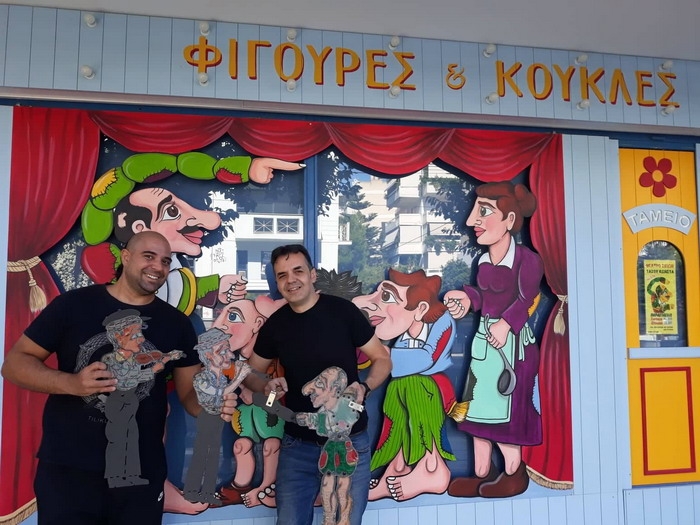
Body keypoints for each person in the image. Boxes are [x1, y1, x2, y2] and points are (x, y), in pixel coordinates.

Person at [0, 231, 229, 524]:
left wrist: (211, 404)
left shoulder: (177, 324)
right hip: (69, 470)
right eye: (149, 256)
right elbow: (15, 364)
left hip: (140, 474)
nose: (158, 267)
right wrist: (70, 383)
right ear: (126, 257)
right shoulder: (73, 305)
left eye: (165, 261)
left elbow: (189, 395)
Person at [242, 244, 392, 525]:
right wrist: (265, 386)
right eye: (282, 275)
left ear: (312, 275)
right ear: (277, 283)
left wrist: (365, 387)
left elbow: (382, 358)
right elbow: (250, 372)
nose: (291, 280)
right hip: (297, 448)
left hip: (349, 442)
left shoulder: (343, 312)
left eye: (298, 271)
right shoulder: (276, 325)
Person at [443, 181, 543, 498]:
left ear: (509, 220)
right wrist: (467, 298)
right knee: (477, 413)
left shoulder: (527, 260)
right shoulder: (483, 261)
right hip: (484, 345)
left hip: (513, 349)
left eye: (484, 211)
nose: (472, 220)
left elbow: (528, 298)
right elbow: (483, 296)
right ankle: (481, 474)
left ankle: (513, 473)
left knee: (506, 414)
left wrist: (507, 324)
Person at [352, 269, 463, 502]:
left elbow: (427, 358)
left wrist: (385, 352)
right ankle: (398, 467)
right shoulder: (404, 332)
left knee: (415, 387)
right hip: (402, 387)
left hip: (430, 389)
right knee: (397, 399)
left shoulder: (441, 322)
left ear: (420, 308)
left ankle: (432, 467)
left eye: (387, 297)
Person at [184, 327, 250, 505]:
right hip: (206, 418)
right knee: (201, 455)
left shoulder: (221, 377)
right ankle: (191, 491)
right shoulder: (201, 378)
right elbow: (218, 393)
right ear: (208, 355)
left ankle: (207, 492)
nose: (230, 355)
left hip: (218, 419)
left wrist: (243, 384)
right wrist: (239, 378)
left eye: (228, 350)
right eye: (223, 351)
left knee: (213, 455)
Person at [295, 366, 364, 525]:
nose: (310, 390)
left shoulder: (346, 405)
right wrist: (307, 419)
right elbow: (321, 426)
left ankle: (344, 517)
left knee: (342, 488)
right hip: (330, 447)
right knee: (327, 485)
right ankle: (329, 518)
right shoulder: (322, 412)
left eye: (320, 383)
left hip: (343, 448)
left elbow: (356, 411)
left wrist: (356, 393)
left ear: (334, 389)